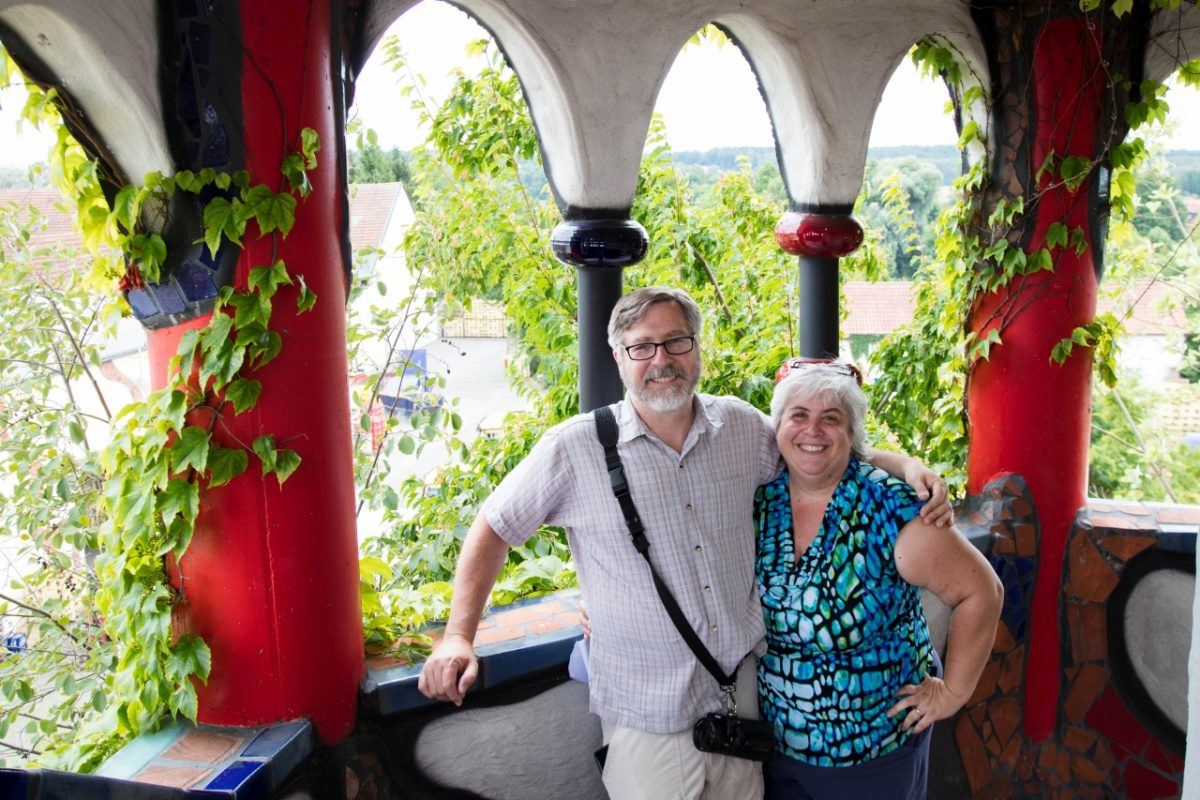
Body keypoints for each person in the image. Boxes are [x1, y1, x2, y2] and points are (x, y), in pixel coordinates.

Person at [418, 287, 951, 800]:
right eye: (641, 347)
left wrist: (904, 465)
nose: (661, 359)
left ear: (697, 349)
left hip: (738, 700)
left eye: (676, 341)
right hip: (647, 713)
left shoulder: (741, 428)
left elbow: (814, 444)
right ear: (618, 357)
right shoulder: (574, 447)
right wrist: (458, 637)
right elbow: (494, 527)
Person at [755, 360, 1003, 799]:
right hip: (774, 751)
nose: (812, 430)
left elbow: (982, 591)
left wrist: (953, 693)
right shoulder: (762, 495)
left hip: (871, 755)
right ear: (778, 426)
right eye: (798, 415)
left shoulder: (891, 509)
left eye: (831, 418)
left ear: (852, 435)